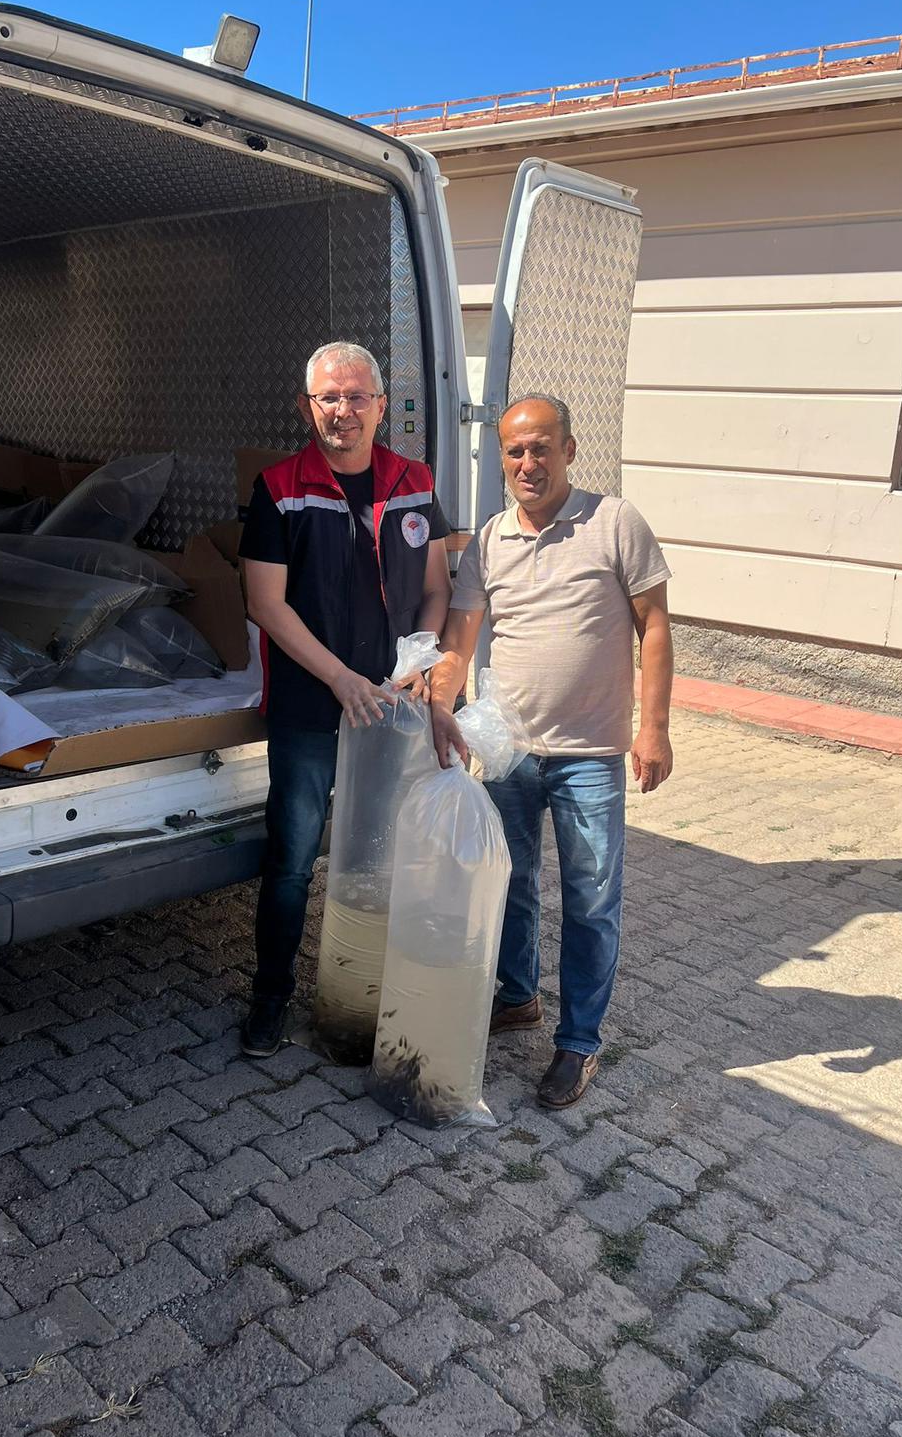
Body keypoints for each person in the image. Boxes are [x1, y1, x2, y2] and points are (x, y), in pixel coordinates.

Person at [429, 394, 674, 1108]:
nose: (528, 463)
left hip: (590, 754)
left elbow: (655, 627)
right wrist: (440, 707)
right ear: (501, 460)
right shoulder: (490, 540)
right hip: (507, 750)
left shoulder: (615, 522)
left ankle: (579, 1042)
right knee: (507, 882)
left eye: (541, 447)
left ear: (568, 449)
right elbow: (460, 640)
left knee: (591, 899)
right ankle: (517, 997)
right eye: (515, 451)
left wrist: (654, 728)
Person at [237, 342, 451, 1056]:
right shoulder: (279, 489)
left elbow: (437, 589)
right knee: (293, 858)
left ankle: (370, 993)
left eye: (357, 396)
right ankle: (271, 998)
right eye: (328, 397)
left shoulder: (415, 482)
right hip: (311, 707)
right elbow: (266, 604)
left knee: (382, 857)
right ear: (307, 407)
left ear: (381, 406)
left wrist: (418, 661)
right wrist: (338, 678)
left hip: (391, 708)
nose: (343, 410)